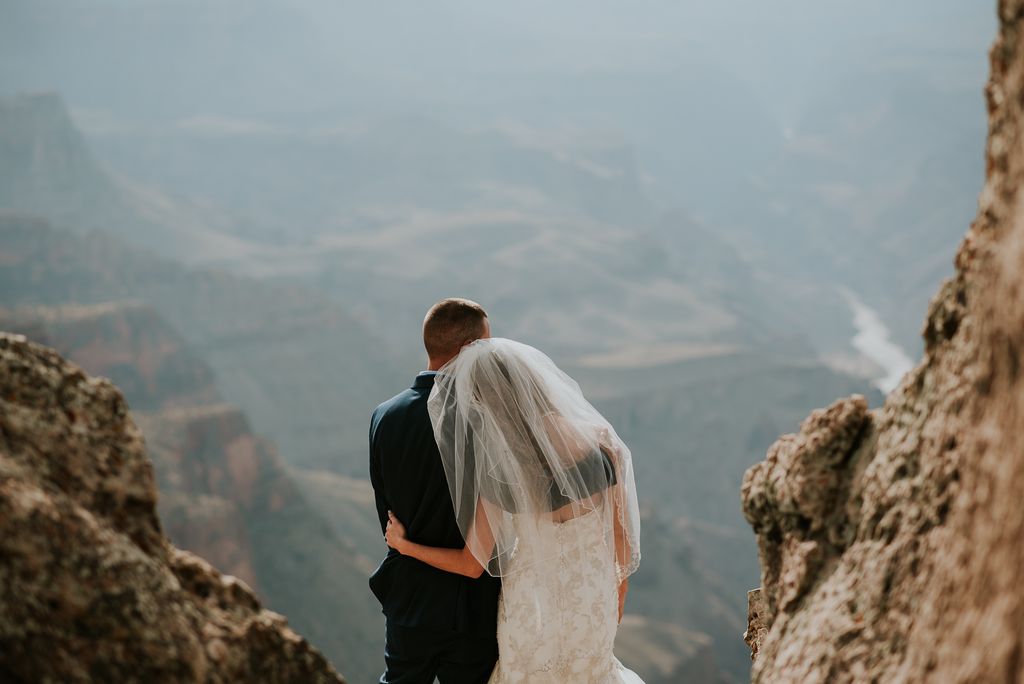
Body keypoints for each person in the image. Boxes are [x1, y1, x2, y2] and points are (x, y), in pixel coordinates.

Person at [385, 335, 644, 683]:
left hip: (530, 609)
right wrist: (616, 593)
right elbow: (623, 545)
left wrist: (405, 546)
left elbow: (471, 565)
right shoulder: (600, 441)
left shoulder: (498, 471)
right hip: (591, 599)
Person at [369, 298, 501, 684]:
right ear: (468, 350)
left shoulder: (383, 416)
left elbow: (387, 509)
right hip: (469, 610)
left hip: (408, 601)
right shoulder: (485, 421)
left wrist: (406, 547)